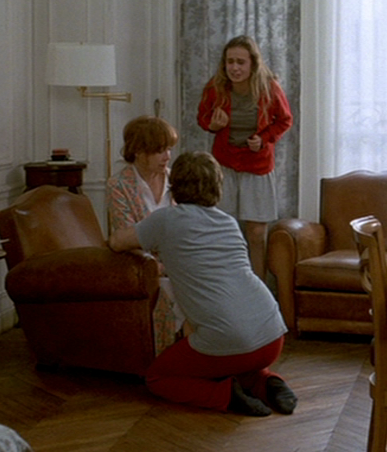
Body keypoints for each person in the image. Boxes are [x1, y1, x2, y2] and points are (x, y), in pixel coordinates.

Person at [108, 151, 298, 417]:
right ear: (217, 187)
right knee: (233, 354)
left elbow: (118, 242)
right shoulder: (228, 222)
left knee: (158, 377)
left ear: (176, 184)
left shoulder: (165, 219)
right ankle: (266, 382)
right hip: (272, 335)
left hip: (232, 340)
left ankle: (226, 396)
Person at [197, 35, 293, 281]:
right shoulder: (215, 87)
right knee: (223, 229)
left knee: (256, 232)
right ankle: (225, 284)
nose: (235, 68)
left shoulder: (269, 87)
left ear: (253, 64)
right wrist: (213, 125)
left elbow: (284, 120)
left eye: (241, 62)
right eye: (230, 62)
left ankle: (258, 286)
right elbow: (203, 118)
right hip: (225, 164)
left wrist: (264, 138)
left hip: (257, 165)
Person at [106, 115, 184, 355]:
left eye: (169, 149)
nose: (167, 156)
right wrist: (162, 266)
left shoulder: (177, 181)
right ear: (139, 151)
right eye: (160, 151)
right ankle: (168, 361)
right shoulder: (119, 185)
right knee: (177, 292)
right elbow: (125, 236)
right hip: (147, 266)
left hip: (181, 261)